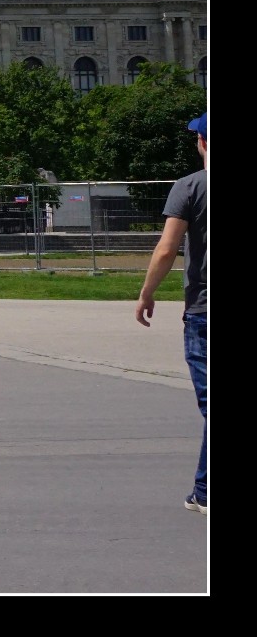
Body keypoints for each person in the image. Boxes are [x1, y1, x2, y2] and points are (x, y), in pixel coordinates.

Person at [137, 113, 206, 513]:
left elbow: (167, 248)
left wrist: (147, 292)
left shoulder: (189, 188)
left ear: (201, 142)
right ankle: (202, 491)